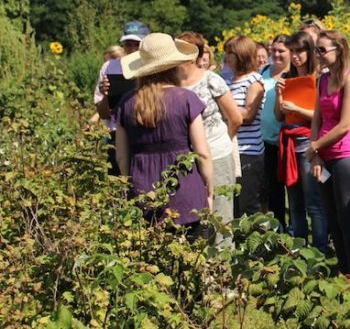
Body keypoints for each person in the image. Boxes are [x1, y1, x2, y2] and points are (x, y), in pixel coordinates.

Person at [113, 33, 214, 240]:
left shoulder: (126, 103)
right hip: (187, 191)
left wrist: (131, 187)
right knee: (193, 264)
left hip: (143, 192)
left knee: (151, 264)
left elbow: (121, 157)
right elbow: (202, 153)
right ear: (174, 65)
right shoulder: (186, 99)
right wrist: (209, 192)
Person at [308, 30, 350, 276]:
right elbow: (317, 119)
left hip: (347, 156)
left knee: (347, 218)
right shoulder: (322, 79)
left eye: (322, 50)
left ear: (339, 51)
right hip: (325, 157)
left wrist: (314, 146)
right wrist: (316, 154)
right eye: (316, 50)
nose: (318, 55)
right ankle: (343, 270)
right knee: (332, 217)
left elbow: (344, 125)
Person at [177, 32, 243, 247]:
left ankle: (224, 270)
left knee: (220, 216)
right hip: (186, 160)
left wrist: (221, 141)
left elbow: (235, 118)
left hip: (216, 155)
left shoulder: (210, 79)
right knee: (195, 217)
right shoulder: (173, 83)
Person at [276, 31, 326, 251]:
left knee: (314, 202)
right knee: (294, 203)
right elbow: (279, 115)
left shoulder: (319, 78)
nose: (295, 56)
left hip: (309, 142)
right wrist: (279, 97)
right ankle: (298, 250)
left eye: (300, 51)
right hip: (289, 143)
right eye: (292, 51)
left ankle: (319, 251)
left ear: (309, 51)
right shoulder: (286, 78)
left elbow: (322, 115)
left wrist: (296, 108)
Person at [94, 20, 150, 174]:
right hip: (117, 134)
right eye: (128, 44)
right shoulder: (110, 67)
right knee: (119, 186)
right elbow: (103, 113)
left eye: (136, 44)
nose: (132, 49)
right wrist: (106, 95)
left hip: (147, 133)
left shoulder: (154, 67)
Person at [224, 35, 266, 217]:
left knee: (248, 204)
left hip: (248, 151)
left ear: (241, 55)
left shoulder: (254, 81)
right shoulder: (227, 80)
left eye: (230, 54)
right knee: (231, 202)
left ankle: (253, 242)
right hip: (229, 147)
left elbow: (248, 114)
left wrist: (223, 108)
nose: (227, 58)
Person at [261, 35, 291, 231]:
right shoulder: (262, 72)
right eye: (274, 50)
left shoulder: (294, 75)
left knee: (293, 188)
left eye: (282, 51)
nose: (277, 54)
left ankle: (295, 228)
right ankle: (278, 229)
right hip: (264, 140)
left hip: (287, 139)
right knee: (273, 190)